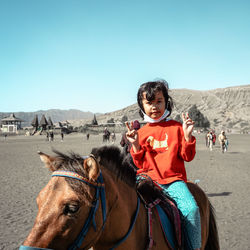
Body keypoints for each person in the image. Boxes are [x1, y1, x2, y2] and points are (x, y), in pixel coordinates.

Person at [126, 80, 201, 250]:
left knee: (191, 210)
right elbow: (139, 164)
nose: (154, 107)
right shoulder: (141, 133)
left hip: (173, 181)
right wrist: (135, 145)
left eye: (159, 101)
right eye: (149, 103)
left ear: (166, 101)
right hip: (145, 180)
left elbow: (187, 156)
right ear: (142, 105)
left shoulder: (176, 128)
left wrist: (188, 136)